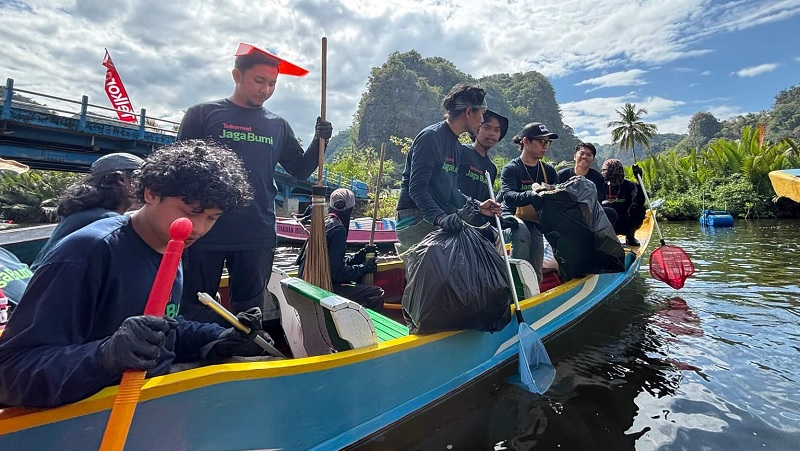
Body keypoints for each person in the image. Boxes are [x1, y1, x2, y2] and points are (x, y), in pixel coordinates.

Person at [0, 141, 272, 408]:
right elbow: (11, 371)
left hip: (151, 399)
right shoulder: (87, 252)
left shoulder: (171, 247)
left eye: (212, 218)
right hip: (97, 413)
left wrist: (219, 337)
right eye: (192, 212)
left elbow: (159, 328)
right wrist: (105, 356)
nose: (199, 229)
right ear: (151, 193)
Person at [176, 42, 333, 325]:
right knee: (195, 307)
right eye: (259, 81)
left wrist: (319, 140)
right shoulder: (202, 115)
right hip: (204, 231)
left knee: (249, 313)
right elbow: (179, 170)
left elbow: (299, 170)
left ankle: (245, 350)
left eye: (272, 84)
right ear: (237, 75)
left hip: (256, 231)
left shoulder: (277, 125)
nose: (266, 90)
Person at [395, 83, 502, 254]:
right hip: (415, 217)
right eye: (481, 114)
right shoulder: (431, 137)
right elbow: (417, 189)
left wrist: (478, 206)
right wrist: (440, 218)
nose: (482, 120)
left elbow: (452, 191)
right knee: (439, 268)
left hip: (434, 217)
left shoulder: (456, 147)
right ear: (469, 112)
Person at [30, 152, 144, 270]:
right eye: (140, 180)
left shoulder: (83, 213)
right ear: (121, 180)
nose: (146, 188)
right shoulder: (107, 220)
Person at [297, 189, 384, 310]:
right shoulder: (338, 229)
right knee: (376, 293)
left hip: (308, 283)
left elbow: (330, 262)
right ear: (349, 210)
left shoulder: (323, 224)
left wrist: (356, 258)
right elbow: (338, 273)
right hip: (322, 289)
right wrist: (364, 268)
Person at [497, 122, 559, 283]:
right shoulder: (512, 168)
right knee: (521, 232)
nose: (545, 146)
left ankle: (533, 292)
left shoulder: (548, 171)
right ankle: (515, 284)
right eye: (541, 141)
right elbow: (508, 196)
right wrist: (531, 195)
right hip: (510, 219)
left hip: (535, 223)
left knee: (536, 267)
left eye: (547, 142)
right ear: (525, 141)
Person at [557, 142, 618, 225]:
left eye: (589, 155)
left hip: (588, 214)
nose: (584, 156)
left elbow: (597, 200)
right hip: (565, 213)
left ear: (593, 159)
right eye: (582, 153)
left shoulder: (598, 178)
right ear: (575, 156)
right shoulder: (562, 175)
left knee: (611, 213)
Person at [601, 159, 646, 246]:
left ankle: (630, 237)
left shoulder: (629, 185)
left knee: (639, 208)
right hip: (608, 223)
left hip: (626, 222)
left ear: (613, 170)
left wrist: (639, 181)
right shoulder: (602, 185)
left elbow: (639, 201)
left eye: (604, 170)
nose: (602, 173)